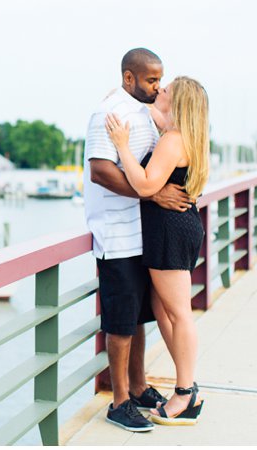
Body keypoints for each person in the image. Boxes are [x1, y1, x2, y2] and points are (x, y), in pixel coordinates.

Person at [84, 48, 195, 432]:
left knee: (138, 318)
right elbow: (100, 171)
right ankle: (119, 402)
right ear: (129, 79)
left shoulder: (146, 114)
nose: (158, 86)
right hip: (117, 233)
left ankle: (139, 386)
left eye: (160, 80)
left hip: (145, 232)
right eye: (151, 80)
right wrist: (152, 194)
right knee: (120, 322)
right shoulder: (109, 114)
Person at [105, 75, 209, 426]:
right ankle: (185, 387)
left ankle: (186, 392)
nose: (159, 91)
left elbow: (146, 183)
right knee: (163, 310)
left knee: (178, 313)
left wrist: (121, 145)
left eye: (165, 90)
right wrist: (121, 96)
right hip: (179, 227)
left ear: (177, 103)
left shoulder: (172, 141)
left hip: (168, 231)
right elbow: (155, 112)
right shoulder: (188, 136)